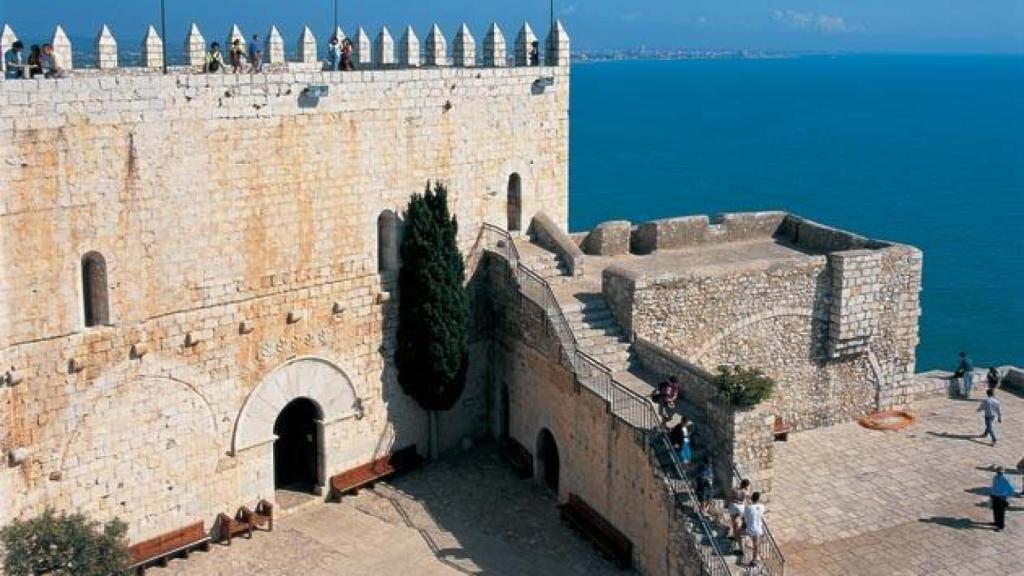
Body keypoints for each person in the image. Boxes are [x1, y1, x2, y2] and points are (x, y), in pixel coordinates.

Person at [728, 478, 751, 555]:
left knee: (734, 523)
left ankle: (735, 537)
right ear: (746, 485)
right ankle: (737, 538)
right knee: (738, 524)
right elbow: (748, 498)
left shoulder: (734, 489)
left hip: (733, 505)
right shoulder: (745, 492)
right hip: (740, 507)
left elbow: (730, 497)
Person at [743, 492, 765, 567]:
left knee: (755, 545)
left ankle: (754, 559)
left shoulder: (748, 507)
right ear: (758, 499)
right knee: (756, 544)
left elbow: (745, 518)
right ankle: (754, 558)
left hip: (751, 528)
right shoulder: (762, 506)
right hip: (758, 528)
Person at [990, 466, 1015, 531]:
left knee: (1001, 513)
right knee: (995, 510)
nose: (999, 473)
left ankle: (1001, 526)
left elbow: (1011, 489)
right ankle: (996, 522)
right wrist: (992, 494)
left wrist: (1004, 495)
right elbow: (993, 486)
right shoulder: (995, 477)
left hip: (1002, 498)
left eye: (1000, 472)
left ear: (1003, 472)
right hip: (995, 496)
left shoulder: (1006, 479)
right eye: (998, 472)